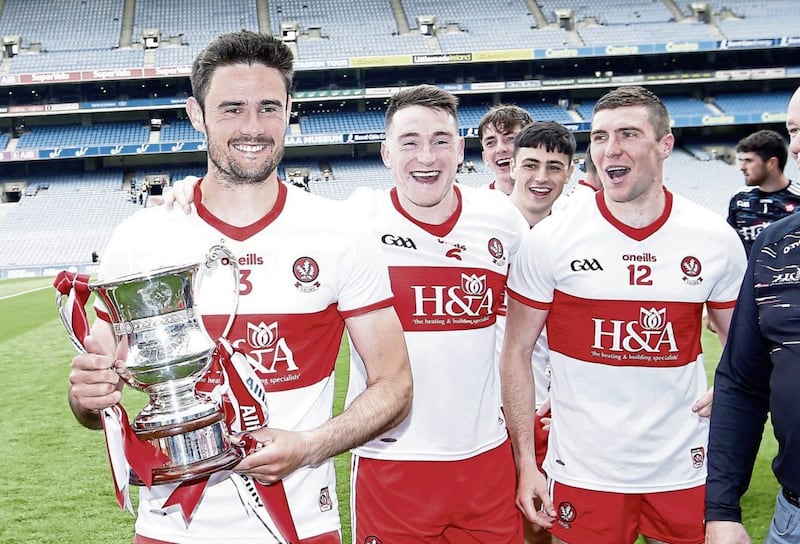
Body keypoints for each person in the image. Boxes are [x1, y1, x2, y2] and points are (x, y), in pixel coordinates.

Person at [66, 30, 412, 544]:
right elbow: (98, 404)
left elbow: (396, 386)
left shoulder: (341, 232)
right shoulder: (141, 239)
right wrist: (88, 397)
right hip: (171, 526)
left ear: (290, 109)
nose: (253, 127)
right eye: (231, 108)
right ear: (195, 113)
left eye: (269, 107)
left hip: (301, 523)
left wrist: (312, 446)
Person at [164, 84, 529, 542]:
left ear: (460, 150)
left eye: (440, 141)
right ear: (385, 153)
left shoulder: (501, 219)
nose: (426, 156)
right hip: (392, 459)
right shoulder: (351, 221)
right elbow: (262, 218)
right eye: (409, 142)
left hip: (486, 458)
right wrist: (188, 194)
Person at [499, 85, 747, 544]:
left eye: (628, 134)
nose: (609, 150)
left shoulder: (713, 238)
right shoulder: (551, 239)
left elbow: (743, 349)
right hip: (584, 468)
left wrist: (731, 387)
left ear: (665, 144)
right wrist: (526, 464)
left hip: (682, 464)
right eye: (599, 137)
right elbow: (516, 352)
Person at [704, 86, 800, 544]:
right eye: (794, 130)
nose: (796, 144)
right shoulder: (776, 242)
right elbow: (742, 381)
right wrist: (722, 509)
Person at [501, 120, 576, 544]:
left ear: (570, 172)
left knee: (543, 523)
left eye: (554, 167)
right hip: (480, 412)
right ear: (511, 166)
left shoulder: (573, 237)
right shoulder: (483, 228)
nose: (541, 177)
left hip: (547, 407)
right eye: (531, 164)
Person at [727, 128, 800, 256]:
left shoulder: (797, 197)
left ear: (771, 163)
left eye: (749, 161)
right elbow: (729, 243)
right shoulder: (740, 198)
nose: (742, 168)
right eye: (742, 161)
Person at [478, 104, 534, 194]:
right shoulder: (474, 204)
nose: (500, 149)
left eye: (511, 139)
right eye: (490, 143)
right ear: (485, 157)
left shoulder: (559, 206)